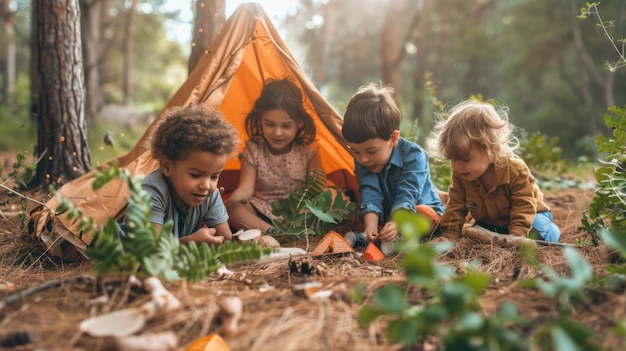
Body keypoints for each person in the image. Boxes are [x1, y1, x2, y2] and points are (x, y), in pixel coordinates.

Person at [428, 99, 560, 242]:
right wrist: (450, 236)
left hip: (532, 216)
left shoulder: (514, 170)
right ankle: (499, 238)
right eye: (452, 158)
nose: (456, 165)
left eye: (465, 160)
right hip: (492, 222)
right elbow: (456, 206)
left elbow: (524, 204)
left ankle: (551, 232)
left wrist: (517, 236)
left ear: (491, 150)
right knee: (474, 237)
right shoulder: (461, 174)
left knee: (537, 231)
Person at [341, 83, 445, 250]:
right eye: (355, 151)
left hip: (420, 213)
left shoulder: (414, 156)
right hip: (390, 219)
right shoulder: (364, 160)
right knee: (361, 217)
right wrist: (371, 227)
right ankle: (380, 239)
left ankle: (403, 240)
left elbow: (408, 194)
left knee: (422, 213)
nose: (363, 159)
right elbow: (370, 192)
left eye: (370, 151)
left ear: (393, 138)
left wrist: (398, 222)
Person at [225, 78, 323, 234]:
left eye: (286, 126)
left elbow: (317, 188)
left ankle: (291, 232)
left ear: (299, 123)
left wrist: (305, 210)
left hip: (298, 213)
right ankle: (272, 233)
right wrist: (230, 202)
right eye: (270, 124)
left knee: (329, 199)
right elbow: (245, 189)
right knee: (235, 209)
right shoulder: (253, 149)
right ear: (260, 120)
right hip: (261, 213)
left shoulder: (309, 149)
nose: (277, 133)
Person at [141, 104, 240, 246]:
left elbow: (226, 240)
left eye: (214, 177)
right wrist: (188, 243)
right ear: (167, 167)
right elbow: (148, 252)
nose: (206, 185)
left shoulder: (209, 193)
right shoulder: (152, 191)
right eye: (195, 175)